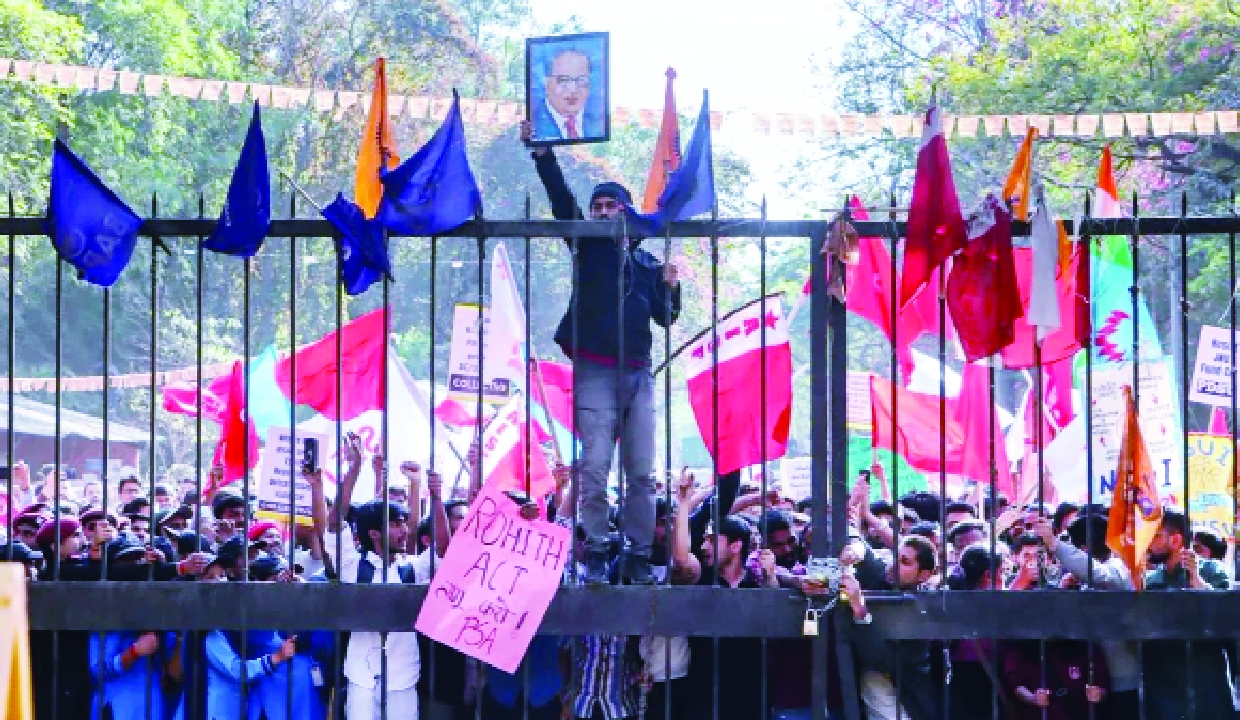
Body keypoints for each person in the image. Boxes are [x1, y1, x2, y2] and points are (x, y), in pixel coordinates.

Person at [522, 119, 680, 586]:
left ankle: (637, 554)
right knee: (593, 466)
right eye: (598, 207)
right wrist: (543, 155)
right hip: (595, 371)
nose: (604, 212)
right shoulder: (587, 247)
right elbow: (561, 201)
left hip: (639, 375)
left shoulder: (646, 262)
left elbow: (666, 317)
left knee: (642, 472)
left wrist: (671, 287)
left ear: (627, 213)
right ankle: (595, 548)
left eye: (612, 206)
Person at [1142, 508, 1234, 720]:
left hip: (1204, 679)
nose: (1149, 543)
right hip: (1162, 683)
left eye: (1156, 536)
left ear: (1175, 540)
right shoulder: (1151, 579)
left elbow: (1225, 616)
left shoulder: (1212, 570)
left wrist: (1197, 581)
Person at [531, 46, 604, 140]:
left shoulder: (599, 124)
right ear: (546, 83)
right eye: (563, 80)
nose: (573, 89)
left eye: (581, 80)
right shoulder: (532, 126)